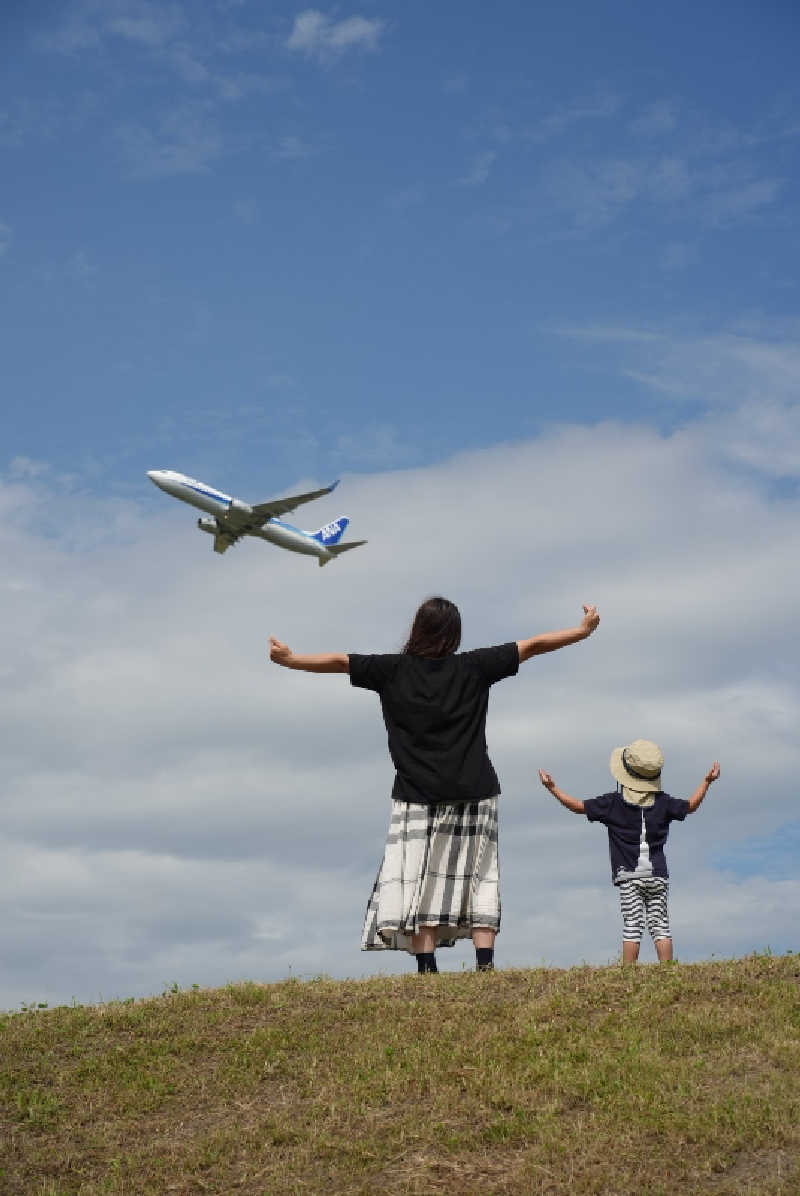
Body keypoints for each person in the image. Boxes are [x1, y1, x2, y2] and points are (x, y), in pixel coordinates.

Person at [269, 596, 600, 974]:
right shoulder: (474, 667)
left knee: (421, 880)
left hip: (416, 796)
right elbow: (532, 646)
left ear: (417, 629)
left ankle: (427, 967)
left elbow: (341, 662)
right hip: (476, 790)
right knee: (481, 876)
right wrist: (580, 632)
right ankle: (484, 965)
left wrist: (291, 659)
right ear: (454, 634)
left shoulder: (391, 671)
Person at [538, 739, 720, 963]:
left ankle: (628, 974)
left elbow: (578, 806)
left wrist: (552, 788)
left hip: (629, 876)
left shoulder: (612, 803)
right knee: (660, 925)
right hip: (658, 874)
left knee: (632, 925)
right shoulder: (663, 802)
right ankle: (668, 970)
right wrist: (707, 781)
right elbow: (691, 805)